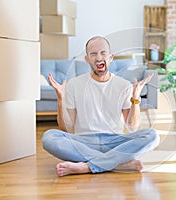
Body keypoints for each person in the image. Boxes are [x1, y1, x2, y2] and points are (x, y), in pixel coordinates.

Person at [42, 36, 160, 177]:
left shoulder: (123, 85)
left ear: (110, 57)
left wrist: (135, 99)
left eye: (103, 53)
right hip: (84, 142)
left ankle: (87, 166)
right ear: (87, 59)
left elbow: (132, 126)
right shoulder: (74, 84)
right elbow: (66, 128)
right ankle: (117, 164)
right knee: (49, 137)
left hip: (114, 141)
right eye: (93, 54)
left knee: (152, 136)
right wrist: (61, 99)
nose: (98, 58)